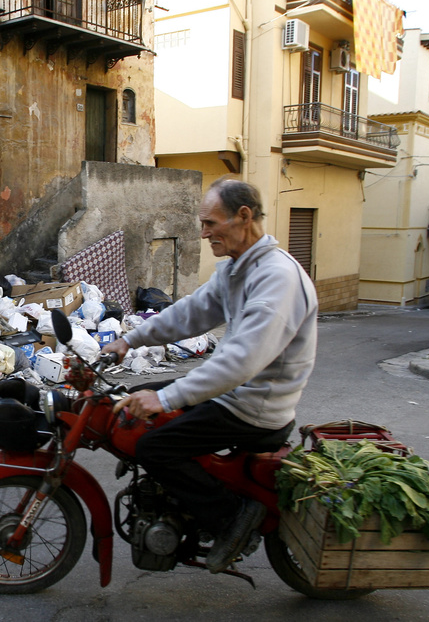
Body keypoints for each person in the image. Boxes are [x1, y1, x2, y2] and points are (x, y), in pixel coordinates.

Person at [100, 177, 318, 574]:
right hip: (236, 393)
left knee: (154, 447)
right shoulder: (237, 269)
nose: (203, 234)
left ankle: (233, 519)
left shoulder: (277, 278)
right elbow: (191, 313)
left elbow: (241, 361)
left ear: (243, 216)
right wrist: (129, 340)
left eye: (210, 223)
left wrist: (165, 399)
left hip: (254, 406)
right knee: (135, 398)